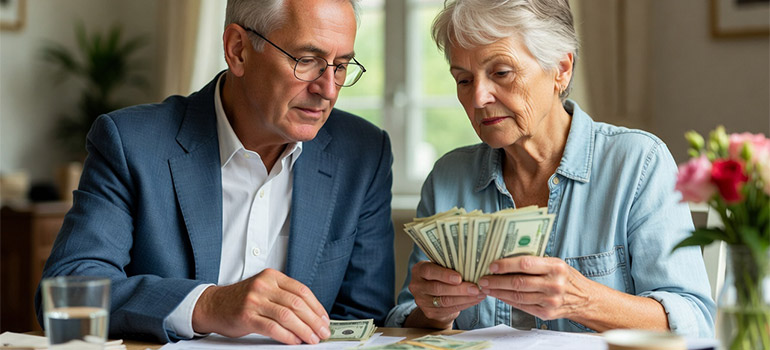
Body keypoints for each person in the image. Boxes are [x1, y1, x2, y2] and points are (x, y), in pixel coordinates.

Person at [35, 0, 395, 345]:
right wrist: (208, 305)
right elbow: (67, 293)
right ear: (238, 49)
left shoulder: (362, 153)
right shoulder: (132, 144)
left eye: (341, 65)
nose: (328, 90)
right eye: (306, 60)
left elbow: (364, 317)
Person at [386, 0, 715, 337]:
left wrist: (582, 300)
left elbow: (695, 321)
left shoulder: (638, 163)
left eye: (501, 72)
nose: (478, 98)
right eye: (464, 80)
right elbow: (409, 318)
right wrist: (433, 311)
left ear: (562, 69)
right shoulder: (447, 179)